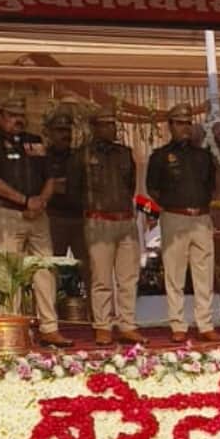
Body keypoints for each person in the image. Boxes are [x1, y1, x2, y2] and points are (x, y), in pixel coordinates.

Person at [0, 97, 73, 347]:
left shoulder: (35, 141)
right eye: (12, 115)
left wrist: (40, 200)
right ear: (0, 116)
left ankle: (49, 327)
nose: (17, 120)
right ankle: (13, 327)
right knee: (11, 271)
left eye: (21, 115)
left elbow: (50, 177)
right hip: (7, 214)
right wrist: (25, 201)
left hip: (38, 213)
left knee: (44, 269)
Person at [67, 106, 145, 346]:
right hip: (98, 219)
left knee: (128, 277)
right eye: (104, 124)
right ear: (94, 127)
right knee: (101, 277)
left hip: (125, 219)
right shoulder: (82, 154)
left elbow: (130, 185)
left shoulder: (125, 153)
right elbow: (74, 190)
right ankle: (102, 325)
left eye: (113, 124)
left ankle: (127, 324)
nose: (110, 128)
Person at [146, 103, 220, 344]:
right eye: (179, 123)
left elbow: (211, 185)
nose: (185, 128)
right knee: (174, 273)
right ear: (170, 126)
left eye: (188, 123)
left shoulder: (203, 155)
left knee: (204, 273)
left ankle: (205, 324)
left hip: (201, 216)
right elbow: (153, 188)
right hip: (174, 215)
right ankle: (178, 324)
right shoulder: (160, 156)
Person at [43, 111, 90, 293]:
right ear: (50, 133)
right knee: (51, 268)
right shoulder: (45, 157)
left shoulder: (79, 156)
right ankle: (51, 315)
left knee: (88, 268)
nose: (65, 134)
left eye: (67, 130)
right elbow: (47, 185)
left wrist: (61, 184)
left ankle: (94, 315)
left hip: (79, 218)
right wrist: (57, 185)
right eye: (60, 130)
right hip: (55, 218)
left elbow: (84, 185)